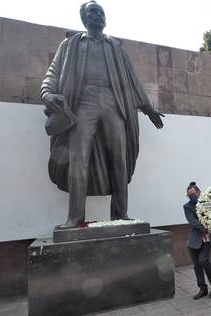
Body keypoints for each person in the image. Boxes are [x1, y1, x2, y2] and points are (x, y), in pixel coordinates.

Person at [40, 1, 164, 228]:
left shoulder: (116, 47)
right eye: (92, 12)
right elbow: (53, 73)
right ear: (84, 19)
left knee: (119, 158)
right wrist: (47, 93)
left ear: (105, 19)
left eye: (100, 12)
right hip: (82, 104)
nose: (97, 15)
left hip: (113, 104)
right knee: (79, 159)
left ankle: (120, 214)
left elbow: (133, 82)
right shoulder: (70, 44)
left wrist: (148, 109)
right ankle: (75, 218)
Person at [183, 182, 211, 299]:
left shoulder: (208, 203)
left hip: (207, 239)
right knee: (197, 265)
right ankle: (202, 288)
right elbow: (192, 221)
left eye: (193, 194)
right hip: (194, 240)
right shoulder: (187, 206)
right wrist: (205, 228)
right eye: (189, 195)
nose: (192, 197)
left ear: (199, 192)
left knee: (204, 260)